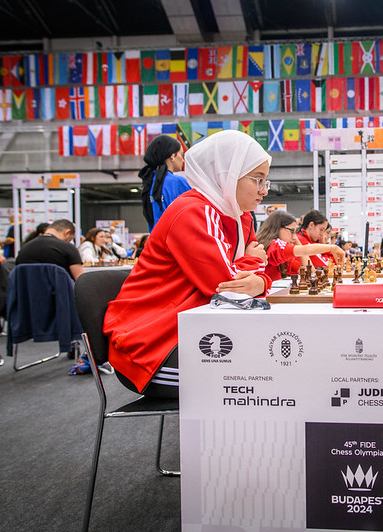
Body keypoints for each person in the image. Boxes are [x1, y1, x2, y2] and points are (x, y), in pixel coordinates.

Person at [104, 130, 273, 399]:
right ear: (227, 175)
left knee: (270, 366)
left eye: (266, 181)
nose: (264, 190)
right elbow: (226, 288)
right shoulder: (194, 211)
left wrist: (258, 277)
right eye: (258, 180)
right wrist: (256, 266)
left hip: (187, 329)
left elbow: (253, 275)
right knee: (263, 378)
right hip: (152, 346)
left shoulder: (239, 217)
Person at [256, 211, 345, 281]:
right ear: (278, 228)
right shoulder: (274, 246)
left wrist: (296, 241)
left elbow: (310, 271)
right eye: (292, 231)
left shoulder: (283, 253)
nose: (294, 237)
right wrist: (332, 247)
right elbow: (305, 250)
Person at [138, 134, 190, 231]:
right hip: (176, 242)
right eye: (181, 155)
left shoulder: (149, 182)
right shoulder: (179, 183)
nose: (183, 159)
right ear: (172, 156)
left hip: (156, 242)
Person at [15, 219, 84, 281]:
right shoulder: (68, 248)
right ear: (67, 233)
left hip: (27, 293)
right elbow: (80, 280)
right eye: (69, 239)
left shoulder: (24, 248)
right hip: (59, 293)